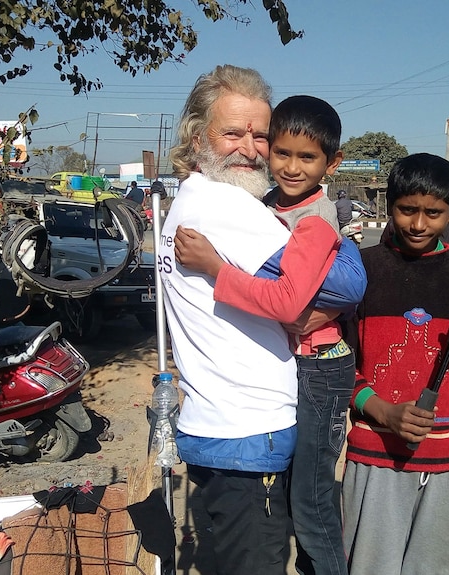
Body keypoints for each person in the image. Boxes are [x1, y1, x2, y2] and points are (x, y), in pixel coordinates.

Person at [174, 94, 363, 575]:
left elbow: (296, 299)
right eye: (280, 151)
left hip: (321, 368)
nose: (288, 166)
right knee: (295, 493)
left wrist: (216, 268)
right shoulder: (261, 202)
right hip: (300, 362)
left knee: (311, 498)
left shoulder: (315, 220)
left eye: (307, 158)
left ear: (331, 164)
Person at [158, 65, 296, 575]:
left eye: (261, 135)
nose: (251, 147)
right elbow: (336, 283)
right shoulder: (226, 205)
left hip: (219, 429)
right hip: (248, 431)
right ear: (198, 138)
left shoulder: (193, 200)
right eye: (233, 132)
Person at [342, 153, 449, 575]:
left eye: (433, 213)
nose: (418, 224)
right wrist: (383, 411)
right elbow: (339, 366)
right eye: (407, 210)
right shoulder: (360, 270)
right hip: (376, 453)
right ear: (389, 206)